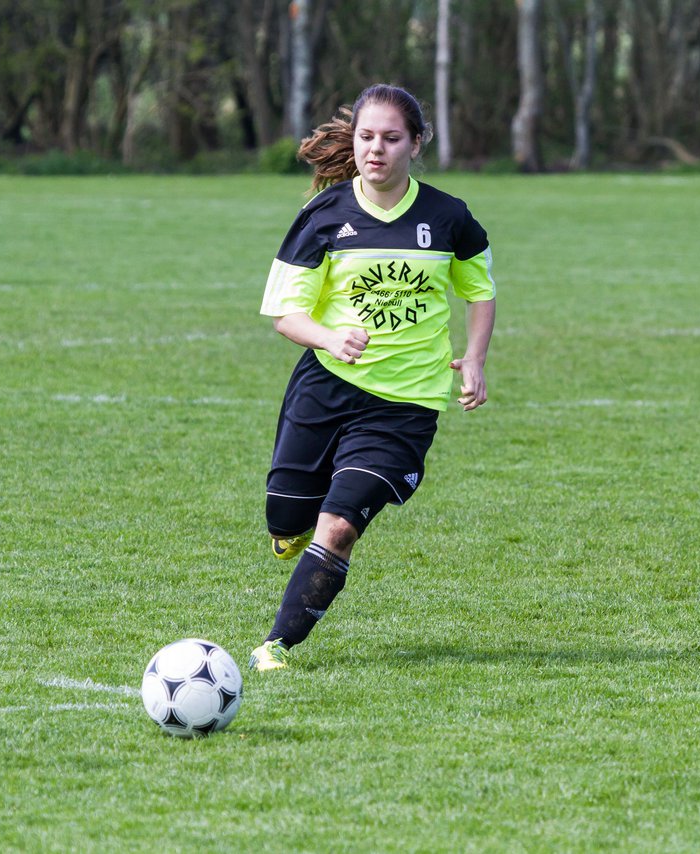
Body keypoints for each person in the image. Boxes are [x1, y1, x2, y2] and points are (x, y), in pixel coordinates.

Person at [250, 84, 497, 671]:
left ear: (416, 144)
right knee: (286, 517)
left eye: (391, 138)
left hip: (406, 404)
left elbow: (480, 292)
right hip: (326, 384)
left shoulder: (448, 217)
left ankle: (276, 644)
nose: (376, 149)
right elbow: (286, 313)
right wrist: (332, 336)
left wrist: (477, 357)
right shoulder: (324, 215)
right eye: (366, 137)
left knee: (338, 527)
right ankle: (290, 526)